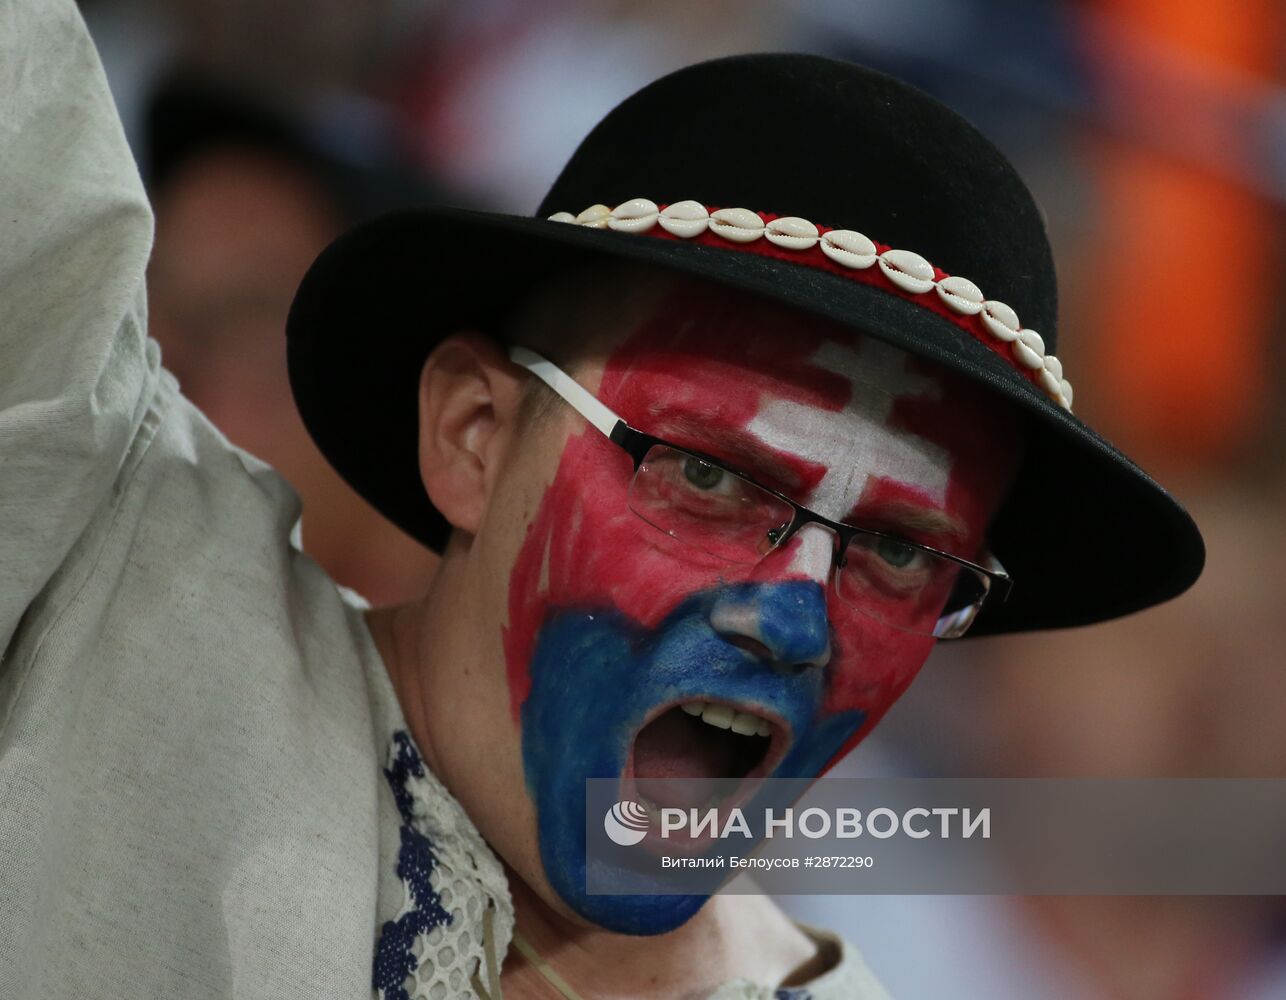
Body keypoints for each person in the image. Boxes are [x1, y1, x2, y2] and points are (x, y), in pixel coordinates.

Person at [0, 2, 1204, 999]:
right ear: (472, 434)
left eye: (895, 548)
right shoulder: (118, 591)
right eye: (709, 472)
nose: (792, 619)